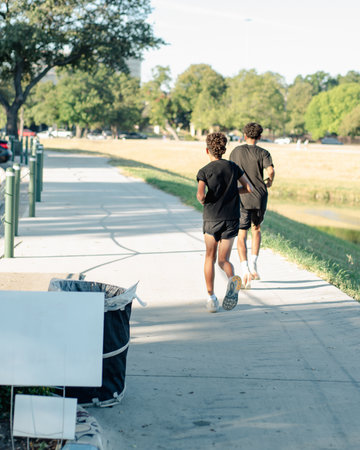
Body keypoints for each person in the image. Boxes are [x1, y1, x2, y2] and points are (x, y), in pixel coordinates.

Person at [196, 132, 252, 312]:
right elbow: (248, 188)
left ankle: (211, 298)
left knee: (209, 257)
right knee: (223, 259)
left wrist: (204, 200)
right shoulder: (233, 167)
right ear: (224, 149)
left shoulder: (204, 171)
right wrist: (234, 192)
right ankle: (231, 279)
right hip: (231, 219)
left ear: (207, 150)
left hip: (212, 219)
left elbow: (200, 195)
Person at [229, 122, 275, 288]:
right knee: (256, 229)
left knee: (241, 234)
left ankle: (245, 269)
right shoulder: (264, 152)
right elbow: (270, 171)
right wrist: (269, 182)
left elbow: (231, 171)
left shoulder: (236, 151)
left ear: (244, 136)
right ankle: (255, 265)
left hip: (242, 195)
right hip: (260, 196)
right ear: (260, 137)